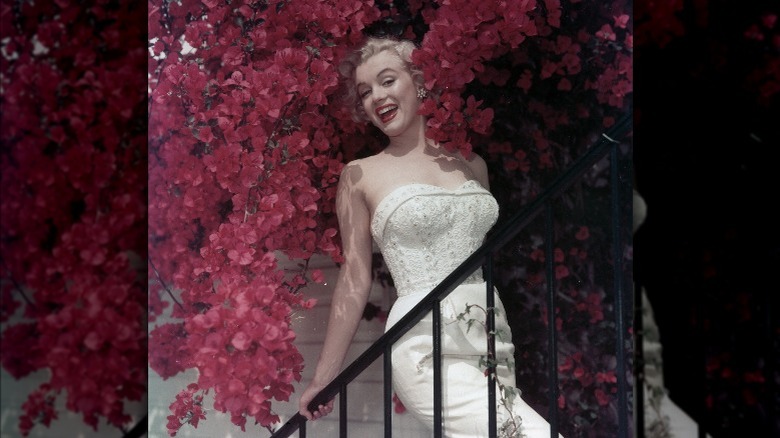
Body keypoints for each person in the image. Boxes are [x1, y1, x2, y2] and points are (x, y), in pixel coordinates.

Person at [297, 36, 560, 437]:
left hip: (490, 338)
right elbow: (354, 277)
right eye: (365, 92)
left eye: (387, 81)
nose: (376, 97)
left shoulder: (472, 164)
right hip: (424, 345)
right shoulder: (360, 174)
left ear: (419, 81)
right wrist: (323, 377)